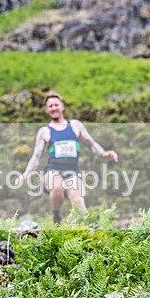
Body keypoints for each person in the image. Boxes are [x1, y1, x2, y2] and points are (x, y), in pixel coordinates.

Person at [19, 91, 118, 224]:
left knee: (78, 201)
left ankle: (88, 230)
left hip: (72, 170)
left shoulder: (75, 125)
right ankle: (56, 216)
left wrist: (104, 153)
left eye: (56, 105)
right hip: (53, 169)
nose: (54, 108)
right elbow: (36, 156)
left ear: (62, 106)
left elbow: (91, 143)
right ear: (46, 110)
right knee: (57, 186)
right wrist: (26, 174)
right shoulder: (45, 131)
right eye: (50, 106)